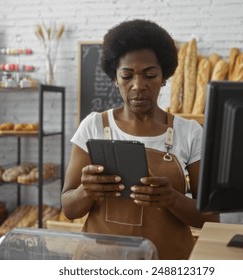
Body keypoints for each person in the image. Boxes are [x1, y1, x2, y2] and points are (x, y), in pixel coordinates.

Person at [61, 19, 218, 260]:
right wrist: (86, 191)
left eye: (150, 75)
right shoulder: (93, 126)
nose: (138, 86)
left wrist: (173, 199)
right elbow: (69, 209)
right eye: (126, 76)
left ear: (164, 77)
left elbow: (210, 217)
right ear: (115, 78)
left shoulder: (189, 132)